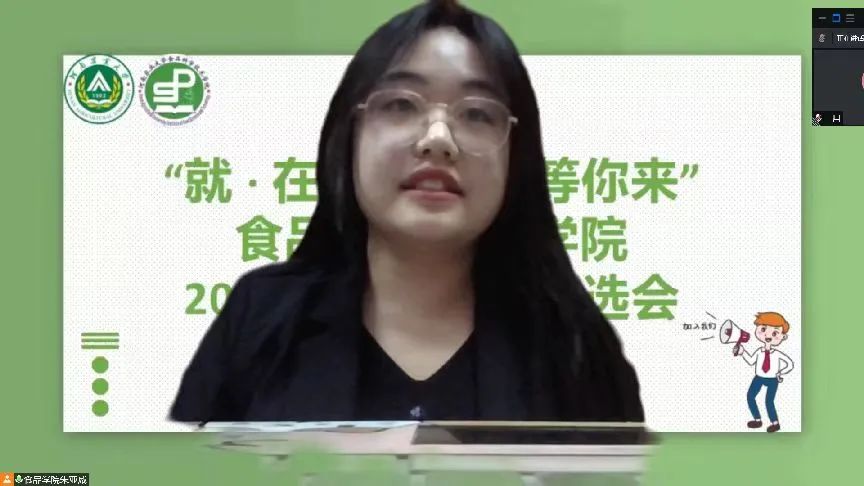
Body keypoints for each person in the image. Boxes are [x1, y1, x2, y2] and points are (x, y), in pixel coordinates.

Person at [170, 0, 644, 423]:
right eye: (400, 104)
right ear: (349, 136)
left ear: (516, 158)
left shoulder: (577, 349)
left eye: (477, 114)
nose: (438, 139)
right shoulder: (261, 317)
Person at [734, 312, 795, 433]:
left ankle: (775, 423)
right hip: (759, 377)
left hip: (772, 379)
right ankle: (757, 420)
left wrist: (780, 373)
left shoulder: (777, 354)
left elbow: (790, 364)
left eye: (775, 333)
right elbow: (751, 361)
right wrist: (742, 352)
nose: (768, 335)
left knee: (769, 401)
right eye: (763, 329)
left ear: (783, 336)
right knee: (750, 396)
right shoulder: (759, 351)